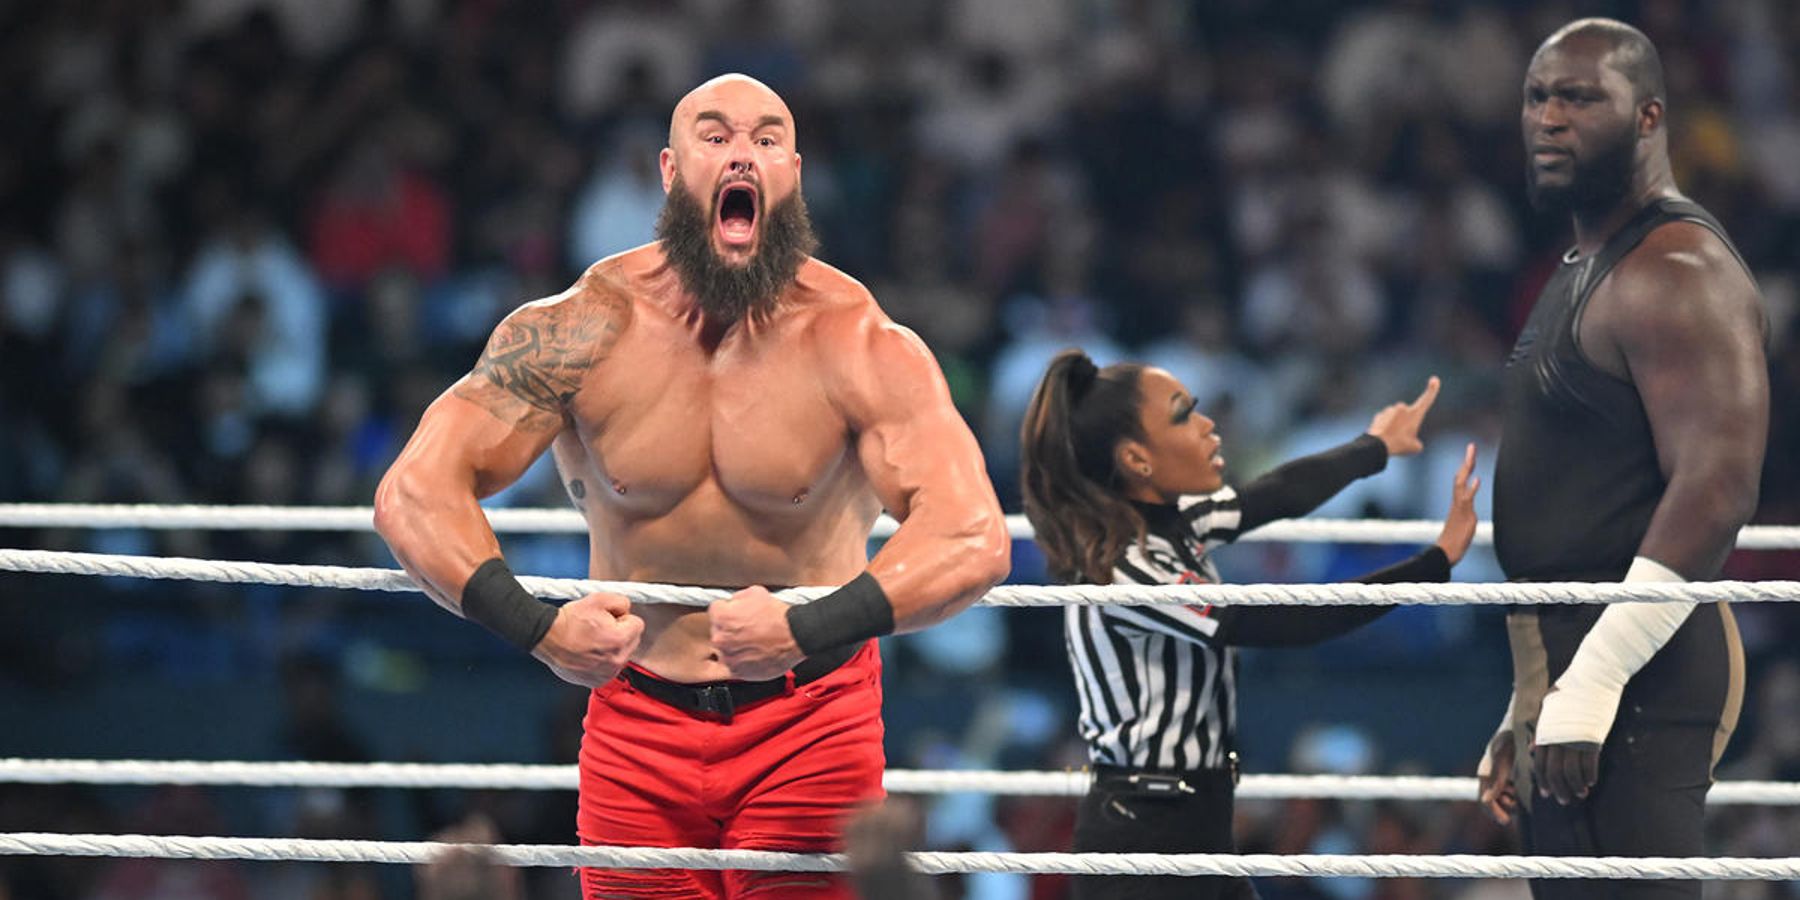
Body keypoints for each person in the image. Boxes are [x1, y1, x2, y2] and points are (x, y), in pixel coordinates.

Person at [373, 73, 1011, 899]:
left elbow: (973, 536)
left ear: (793, 175)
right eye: (716, 137)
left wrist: (808, 626)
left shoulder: (859, 341)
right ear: (671, 172)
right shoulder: (581, 327)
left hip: (810, 720)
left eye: (767, 138)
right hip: (636, 720)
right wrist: (538, 630)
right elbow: (413, 494)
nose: (742, 151)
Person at [1476, 18, 1769, 900]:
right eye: (1537, 97)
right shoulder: (1585, 263)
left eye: (1579, 97)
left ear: (1648, 118)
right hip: (1570, 663)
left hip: (1641, 669)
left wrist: (1598, 674)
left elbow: (1717, 488)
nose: (1549, 119)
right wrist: (1531, 693)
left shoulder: (1679, 269)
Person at [1019, 349, 1480, 900]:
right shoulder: (1124, 568)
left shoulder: (1178, 525)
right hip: (1143, 831)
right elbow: (1277, 621)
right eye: (1183, 414)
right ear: (1138, 460)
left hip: (1196, 819)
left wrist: (1374, 447)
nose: (1208, 424)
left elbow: (1274, 493)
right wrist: (1433, 564)